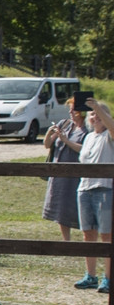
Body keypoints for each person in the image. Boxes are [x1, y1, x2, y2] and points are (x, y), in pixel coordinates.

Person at [66, 98, 114, 293]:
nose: (95, 116)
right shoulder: (88, 137)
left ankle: (108, 278)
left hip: (105, 189)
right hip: (84, 188)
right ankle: (91, 276)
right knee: (88, 234)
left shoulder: (109, 136)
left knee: (107, 235)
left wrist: (98, 108)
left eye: (99, 113)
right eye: (92, 114)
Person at [42, 98, 84, 245]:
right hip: (59, 173)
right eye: (70, 109)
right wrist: (49, 133)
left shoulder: (88, 130)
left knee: (73, 205)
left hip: (75, 174)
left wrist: (66, 141)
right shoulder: (64, 124)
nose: (70, 112)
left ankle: (89, 238)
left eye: (74, 110)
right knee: (60, 206)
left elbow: (84, 149)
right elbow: (47, 145)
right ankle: (66, 241)